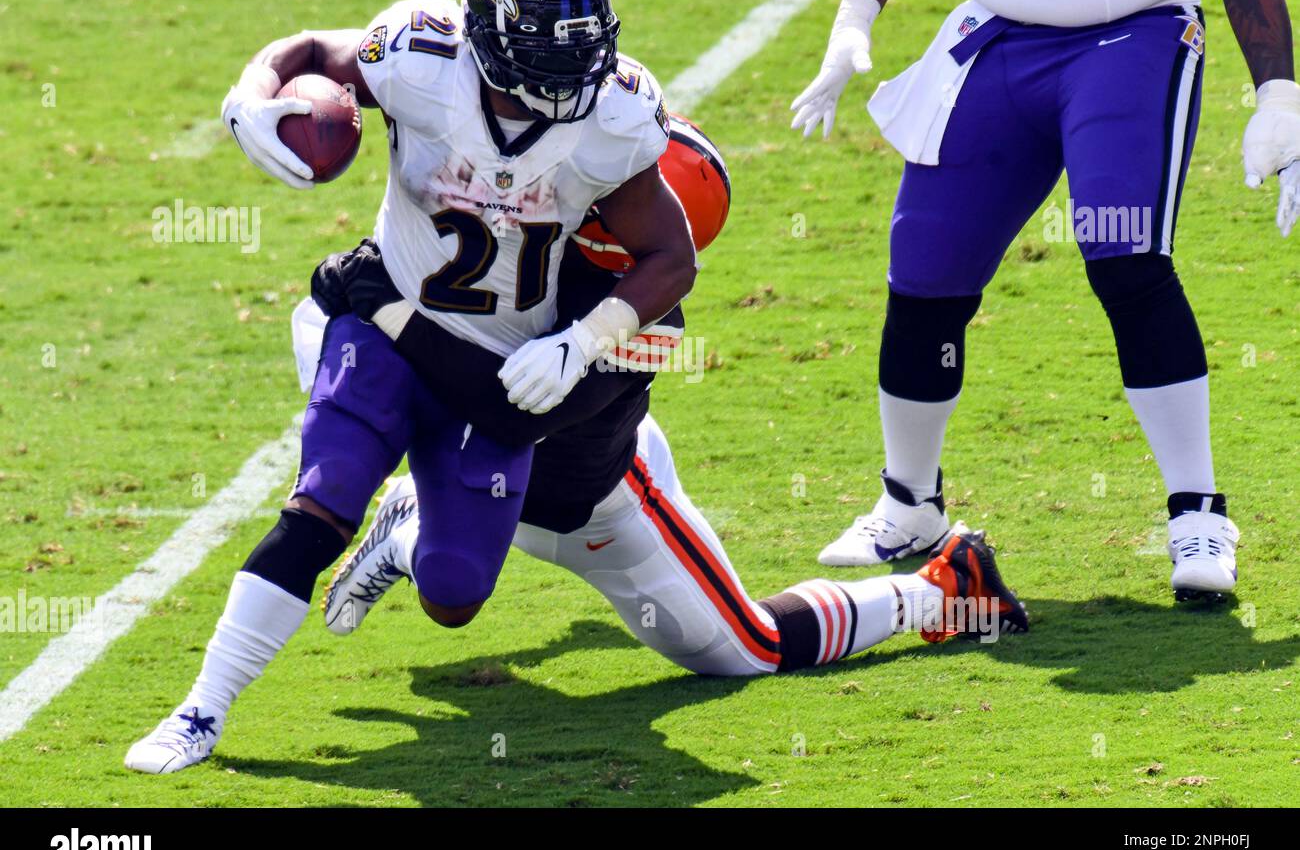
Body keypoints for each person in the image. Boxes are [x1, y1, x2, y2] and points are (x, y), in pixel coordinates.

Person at [125, 0, 694, 774]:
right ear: (491, 38)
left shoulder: (614, 114)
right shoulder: (421, 57)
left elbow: (671, 259)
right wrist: (253, 93)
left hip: (499, 362)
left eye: (584, 49)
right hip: (385, 321)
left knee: (456, 595)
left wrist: (585, 341)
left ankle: (408, 528)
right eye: (549, 52)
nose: (574, 76)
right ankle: (202, 711)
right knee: (321, 502)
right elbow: (316, 46)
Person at [312, 126, 1028, 679]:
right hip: (482, 479)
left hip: (597, 508)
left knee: (748, 648)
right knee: (342, 366)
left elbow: (507, 414)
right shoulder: (519, 222)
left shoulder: (647, 323)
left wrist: (390, 313)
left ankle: (941, 590)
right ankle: (422, 516)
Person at [792, 0, 1300, 601]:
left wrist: (1277, 93)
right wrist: (855, 16)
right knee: (925, 268)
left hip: (1137, 34)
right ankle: (911, 502)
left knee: (1125, 254)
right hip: (999, 37)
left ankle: (1198, 513)